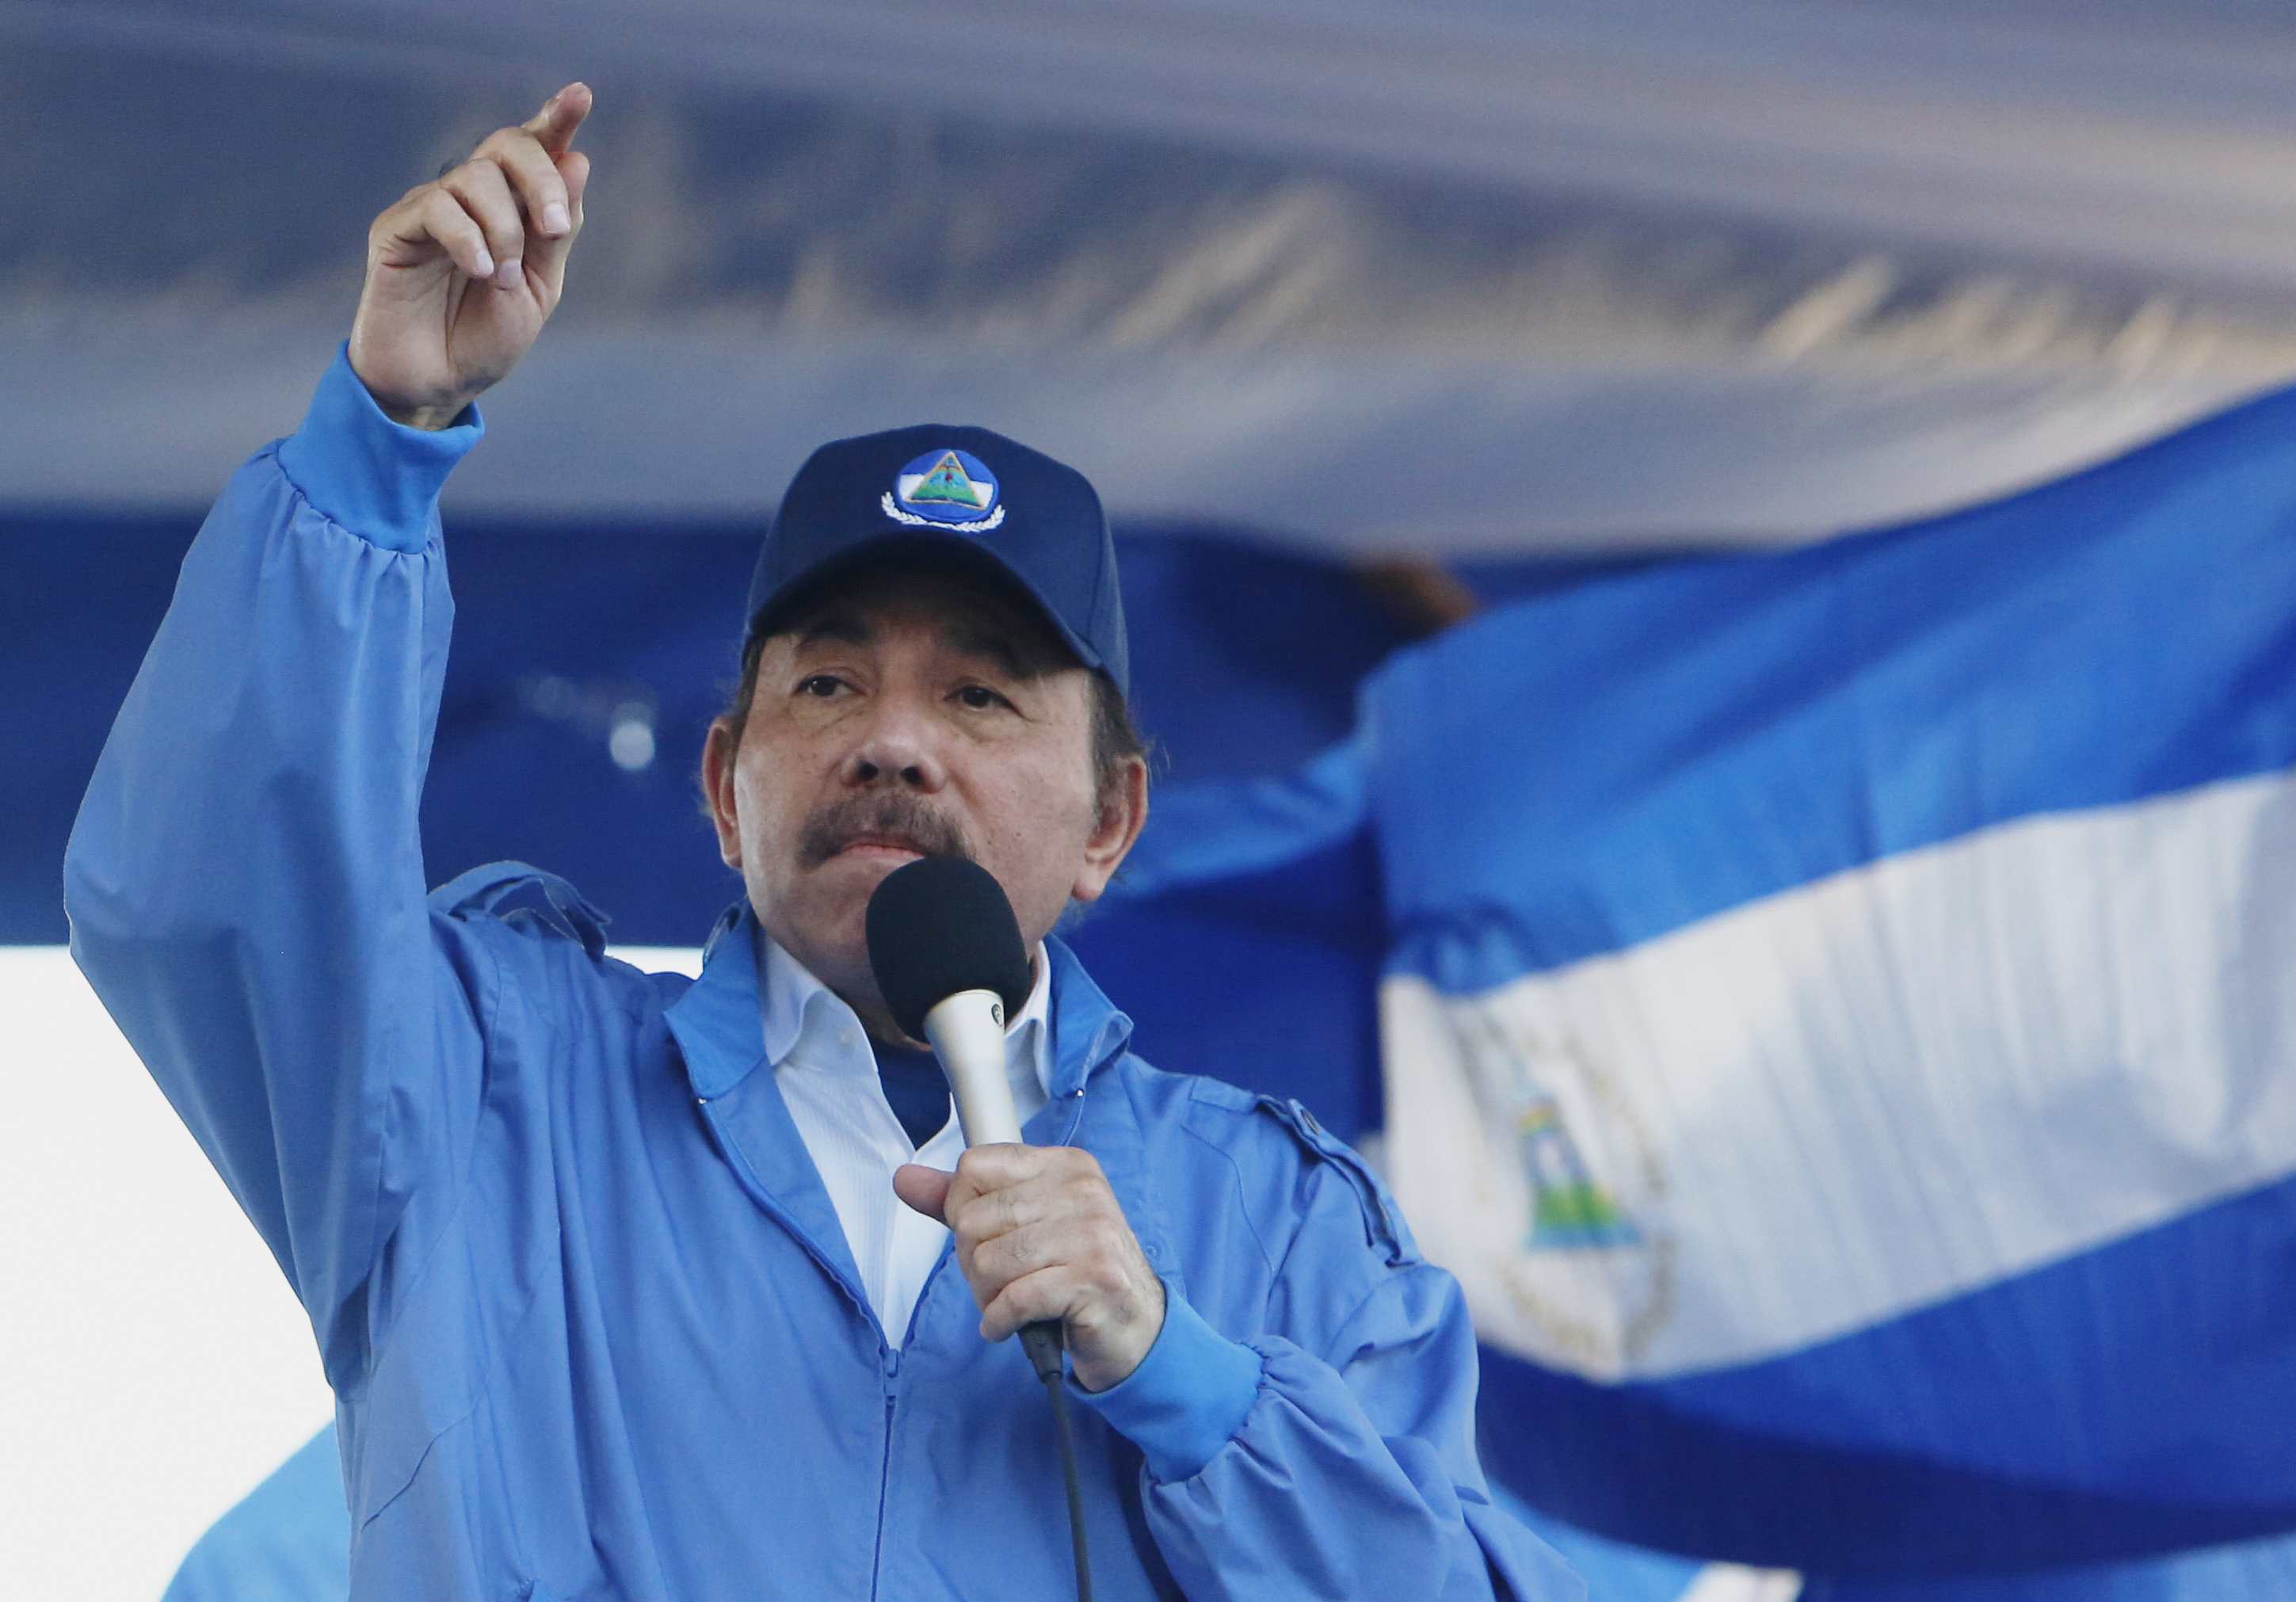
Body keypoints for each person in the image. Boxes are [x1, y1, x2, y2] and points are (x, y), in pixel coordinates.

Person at [66, 84, 1581, 1602]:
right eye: (830, 680)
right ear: (725, 787)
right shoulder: (483, 1082)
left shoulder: (1285, 1222)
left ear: (1111, 818)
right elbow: (216, 898)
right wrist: (383, 432)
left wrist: (1177, 1371)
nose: (894, 739)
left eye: (981, 692)